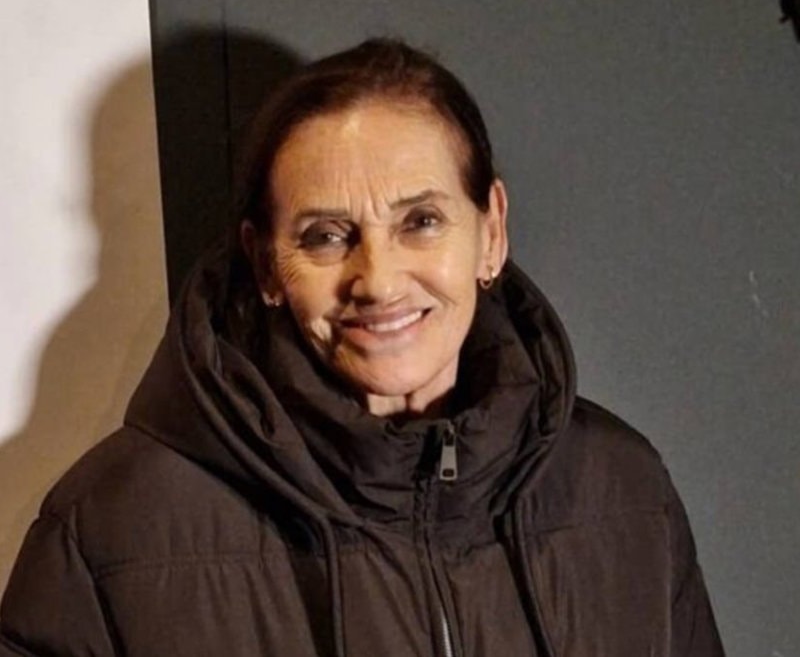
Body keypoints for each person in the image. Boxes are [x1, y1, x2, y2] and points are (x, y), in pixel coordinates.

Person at [0, 38, 724, 656]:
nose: (377, 280)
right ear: (266, 264)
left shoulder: (626, 489)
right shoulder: (110, 526)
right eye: (325, 236)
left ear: (491, 230)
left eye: (421, 221)